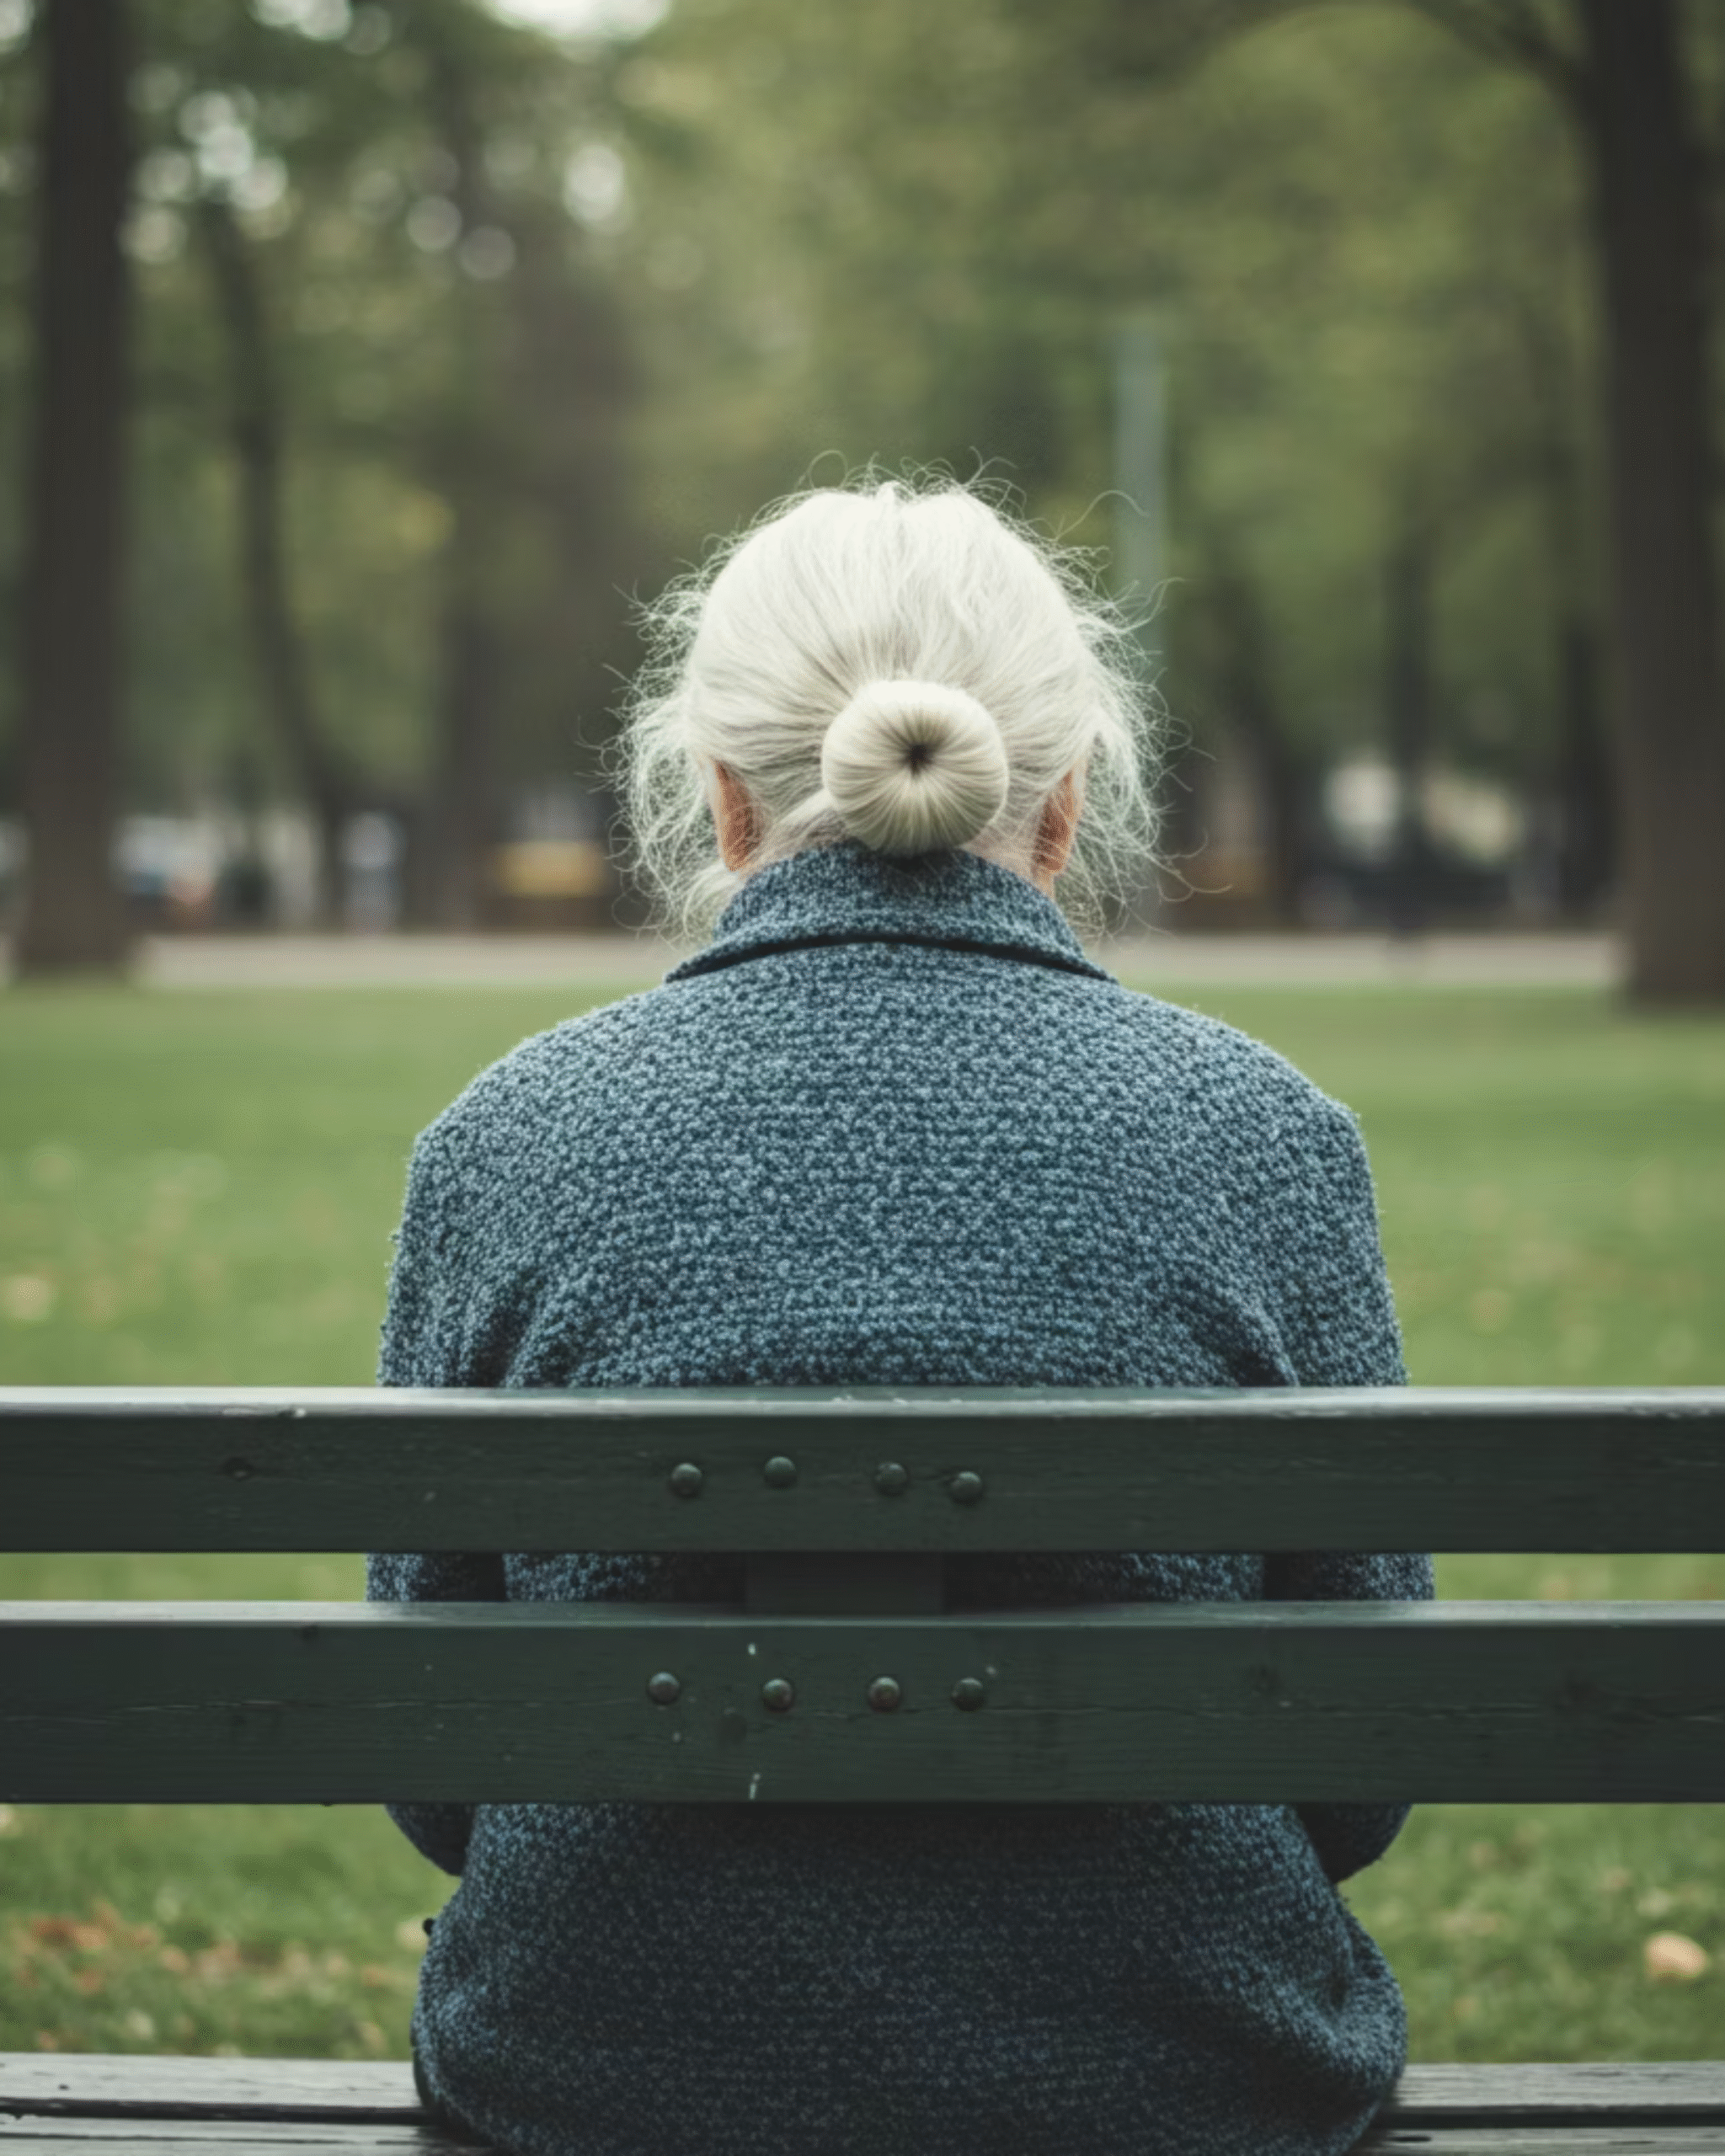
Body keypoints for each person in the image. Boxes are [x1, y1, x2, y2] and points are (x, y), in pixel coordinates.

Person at [370, 476, 1434, 2156]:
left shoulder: (502, 1139)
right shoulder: (1268, 1135)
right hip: (1188, 2066)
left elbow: (437, 1764)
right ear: (1066, 803)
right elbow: (1358, 1755)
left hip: (598, 2070)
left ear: (719, 802)